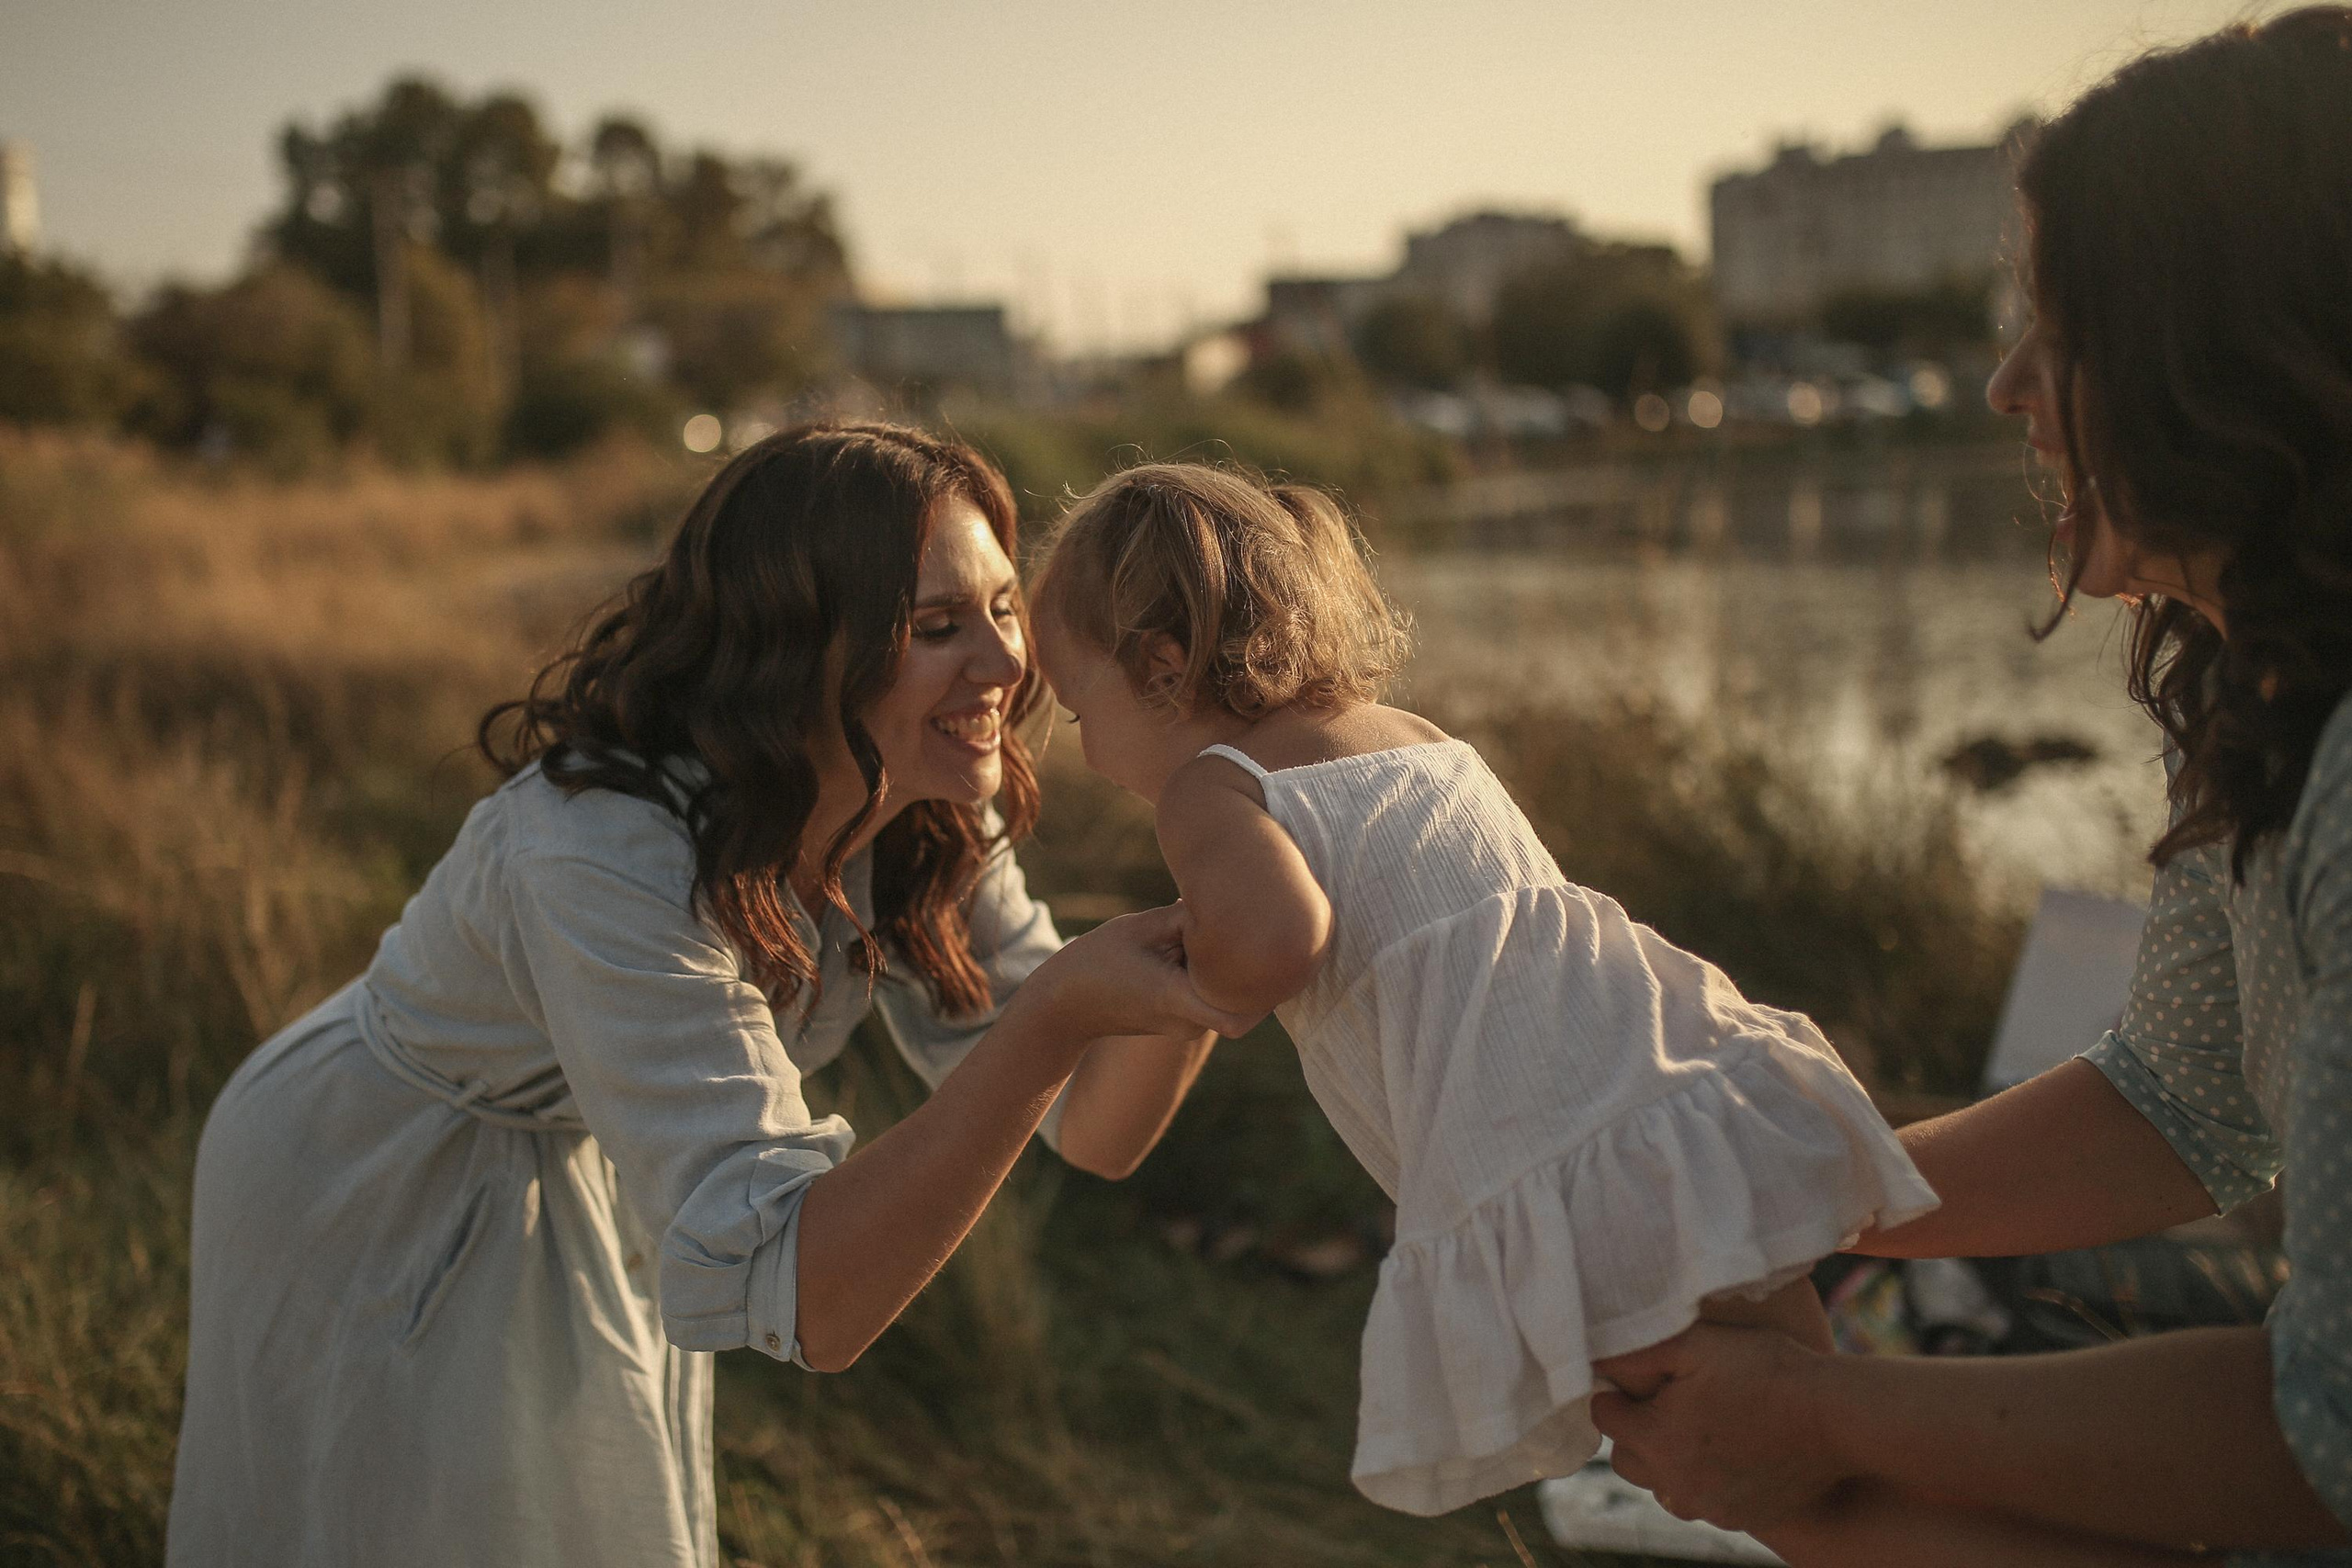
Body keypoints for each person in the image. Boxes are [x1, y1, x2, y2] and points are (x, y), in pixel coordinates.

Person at [166, 423, 1248, 1567]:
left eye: (1002, 608)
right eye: (935, 627)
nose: (1002, 666)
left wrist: (1228, 912)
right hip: (374, 1177)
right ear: (797, 647)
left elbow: (1097, 1125)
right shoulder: (601, 850)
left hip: (592, 1168)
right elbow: (812, 1300)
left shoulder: (932, 806)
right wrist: (1053, 1018)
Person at [1587, 10, 2352, 1565]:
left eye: (2061, 334)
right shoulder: (2270, 702)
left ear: (2234, 352)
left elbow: (2325, 1443)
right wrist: (1790, 1209)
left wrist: (1826, 1420)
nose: (2007, 387)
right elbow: (2181, 1100)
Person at [1024, 460, 1938, 1516]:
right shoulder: (1411, 736)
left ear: (1162, 666)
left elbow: (1278, 942)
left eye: (1075, 705)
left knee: (1768, 1490)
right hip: (1667, 1110)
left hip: (1548, 1159)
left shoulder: (1211, 788)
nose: (1082, 750)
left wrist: (1195, 971)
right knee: (1830, 1423)